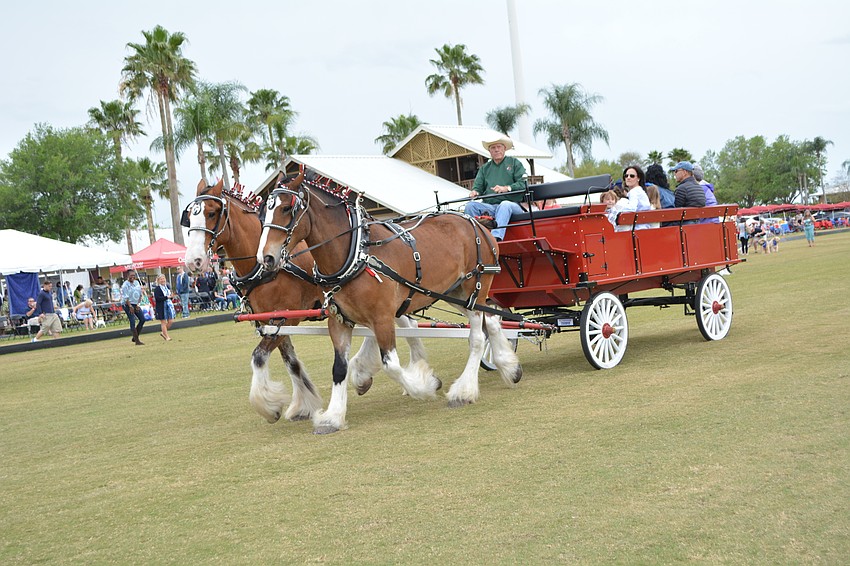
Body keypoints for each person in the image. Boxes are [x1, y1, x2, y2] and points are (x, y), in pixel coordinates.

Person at [463, 134, 527, 242]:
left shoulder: (515, 163)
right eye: (493, 148)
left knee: (504, 205)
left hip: (514, 205)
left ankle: (495, 239)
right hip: (491, 207)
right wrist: (475, 192)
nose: (496, 150)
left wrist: (506, 188)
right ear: (489, 151)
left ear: (504, 149)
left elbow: (523, 184)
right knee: (470, 206)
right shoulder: (485, 168)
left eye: (499, 147)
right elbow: (478, 187)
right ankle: (475, 239)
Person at [619, 165, 652, 230]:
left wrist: (618, 209)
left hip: (638, 228)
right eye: (626, 176)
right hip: (644, 225)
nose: (628, 178)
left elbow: (631, 208)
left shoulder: (634, 192)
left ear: (638, 178)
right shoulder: (640, 190)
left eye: (632, 176)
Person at [121, 269, 146, 346]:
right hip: (127, 304)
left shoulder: (136, 282)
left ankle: (135, 337)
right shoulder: (125, 285)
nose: (133, 277)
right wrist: (130, 306)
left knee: (142, 319)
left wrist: (138, 304)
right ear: (127, 276)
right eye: (131, 275)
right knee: (132, 321)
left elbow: (139, 293)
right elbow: (126, 297)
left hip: (135, 303)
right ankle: (137, 341)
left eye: (134, 275)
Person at [152, 274, 176, 341]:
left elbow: (169, 296)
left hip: (169, 306)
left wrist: (171, 297)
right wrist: (166, 297)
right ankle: (167, 336)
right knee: (163, 322)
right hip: (161, 307)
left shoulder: (167, 287)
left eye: (163, 278)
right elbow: (157, 298)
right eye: (161, 279)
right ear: (158, 281)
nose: (163, 280)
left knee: (170, 321)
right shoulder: (157, 289)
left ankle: (163, 333)